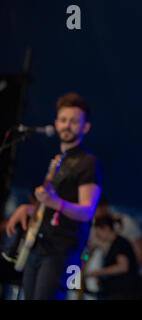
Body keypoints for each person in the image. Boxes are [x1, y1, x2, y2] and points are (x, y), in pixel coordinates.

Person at [5, 92, 103, 300]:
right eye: (64, 120)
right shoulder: (58, 161)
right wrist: (28, 209)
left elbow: (87, 211)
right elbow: (47, 208)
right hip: (39, 245)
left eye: (74, 121)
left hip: (63, 250)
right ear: (56, 123)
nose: (67, 125)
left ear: (85, 127)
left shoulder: (88, 163)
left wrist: (55, 202)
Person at [87, 214, 142, 300]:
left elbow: (123, 267)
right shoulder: (111, 246)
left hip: (124, 292)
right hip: (114, 291)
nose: (98, 237)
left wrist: (99, 272)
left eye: (98, 233)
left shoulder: (120, 244)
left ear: (106, 229)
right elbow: (87, 255)